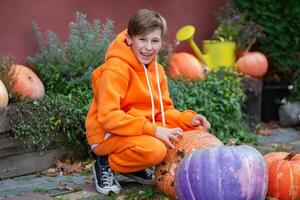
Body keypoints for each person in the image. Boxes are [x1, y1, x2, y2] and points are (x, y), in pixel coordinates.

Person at [85, 8, 211, 195]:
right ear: (129, 39)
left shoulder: (157, 70)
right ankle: (106, 163)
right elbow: (109, 117)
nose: (148, 47)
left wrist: (187, 120)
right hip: (108, 134)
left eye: (155, 40)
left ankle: (134, 166)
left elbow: (163, 110)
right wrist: (153, 130)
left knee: (193, 130)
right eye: (142, 39)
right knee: (155, 150)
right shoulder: (116, 69)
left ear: (161, 42)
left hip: (137, 127)